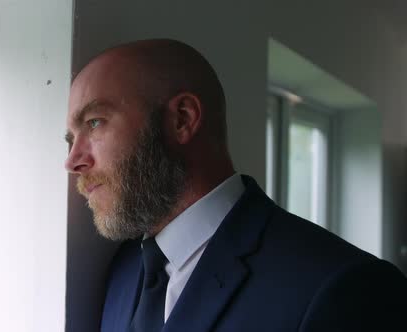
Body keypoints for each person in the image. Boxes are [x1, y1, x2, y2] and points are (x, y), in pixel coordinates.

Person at [64, 39, 407, 332]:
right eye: (70, 138)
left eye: (94, 122)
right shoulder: (124, 270)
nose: (72, 160)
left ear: (182, 119)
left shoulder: (349, 288)